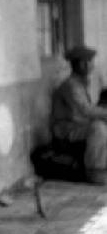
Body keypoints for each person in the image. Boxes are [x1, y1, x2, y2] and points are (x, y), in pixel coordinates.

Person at [51, 45, 107, 184]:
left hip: (78, 125)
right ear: (81, 64)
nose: (91, 65)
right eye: (89, 62)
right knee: (98, 128)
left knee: (101, 124)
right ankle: (95, 172)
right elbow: (86, 110)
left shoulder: (80, 83)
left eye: (91, 61)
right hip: (66, 130)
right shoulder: (71, 85)